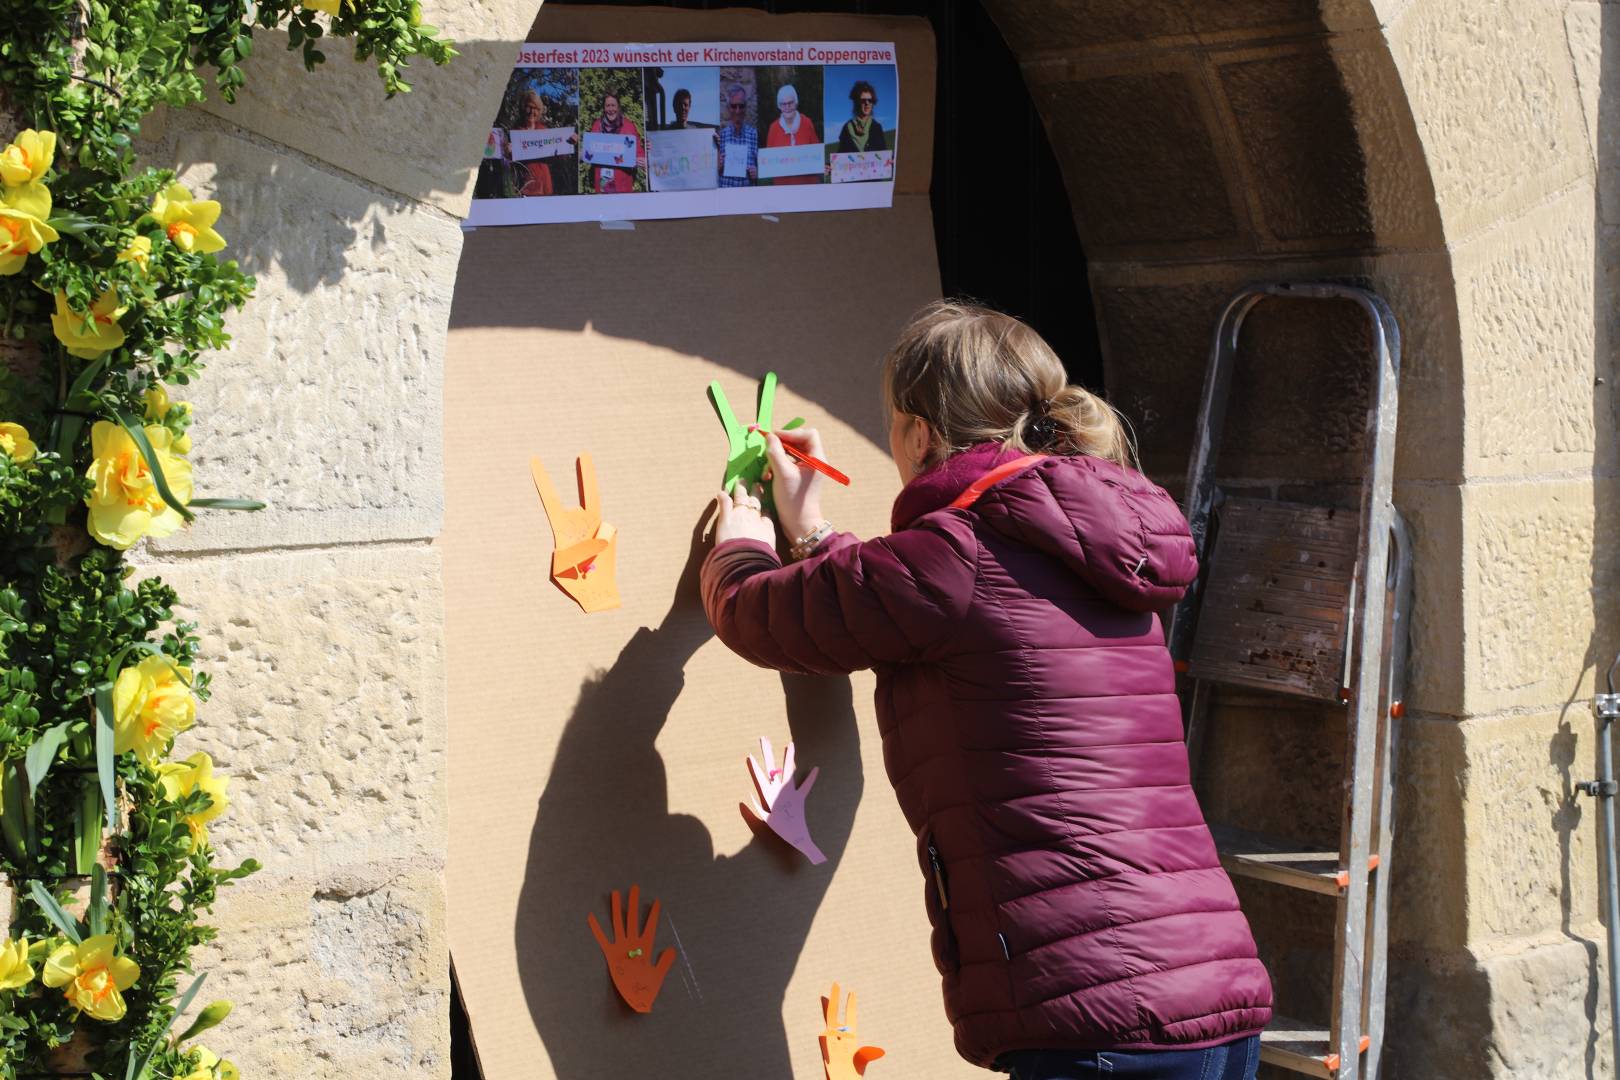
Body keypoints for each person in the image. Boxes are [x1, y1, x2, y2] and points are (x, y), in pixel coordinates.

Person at [701, 301, 1273, 1080]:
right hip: (1211, 996)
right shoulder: (1088, 539)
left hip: (1098, 1014)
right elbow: (911, 609)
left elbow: (764, 618)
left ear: (919, 434)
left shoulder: (957, 554)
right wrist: (812, 530)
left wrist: (738, 552)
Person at [762, 83, 820, 186]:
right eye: (783, 104)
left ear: (796, 103)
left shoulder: (807, 122)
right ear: (779, 106)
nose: (787, 107)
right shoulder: (773, 128)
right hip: (783, 186)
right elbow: (769, 162)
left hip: (807, 184)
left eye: (790, 103)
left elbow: (816, 155)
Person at [587, 90, 643, 194]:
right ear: (604, 108)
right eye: (607, 106)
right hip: (602, 183)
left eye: (613, 105)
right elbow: (591, 150)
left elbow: (638, 151)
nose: (611, 109)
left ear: (618, 107)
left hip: (622, 182)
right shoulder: (596, 126)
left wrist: (640, 159)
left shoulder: (628, 126)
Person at [513, 88, 555, 197]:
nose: (532, 111)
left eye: (536, 108)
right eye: (529, 107)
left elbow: (557, 155)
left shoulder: (544, 130)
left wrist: (570, 142)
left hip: (544, 184)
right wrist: (509, 151)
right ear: (523, 108)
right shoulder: (515, 132)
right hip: (526, 185)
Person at [716, 84, 757, 187]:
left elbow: (763, 166)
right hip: (726, 196)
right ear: (728, 108)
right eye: (734, 106)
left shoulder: (754, 134)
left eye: (741, 106)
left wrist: (757, 172)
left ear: (745, 107)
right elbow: (713, 172)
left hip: (747, 196)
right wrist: (718, 167)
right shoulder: (721, 136)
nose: (737, 111)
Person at [836, 79, 887, 153]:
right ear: (856, 102)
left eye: (870, 100)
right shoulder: (846, 128)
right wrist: (830, 164)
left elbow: (883, 153)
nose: (867, 103)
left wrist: (890, 160)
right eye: (863, 100)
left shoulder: (877, 127)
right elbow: (840, 156)